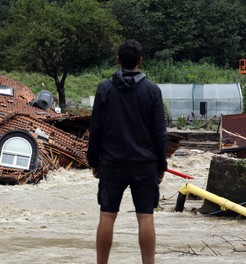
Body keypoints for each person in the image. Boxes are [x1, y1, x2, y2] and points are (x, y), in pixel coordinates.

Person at [87, 39, 167, 264]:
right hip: (145, 163)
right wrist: (162, 165)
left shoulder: (105, 89)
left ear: (118, 60)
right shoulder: (152, 91)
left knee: (107, 215)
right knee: (146, 217)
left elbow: (96, 128)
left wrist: (94, 161)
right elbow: (160, 133)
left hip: (112, 162)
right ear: (140, 62)